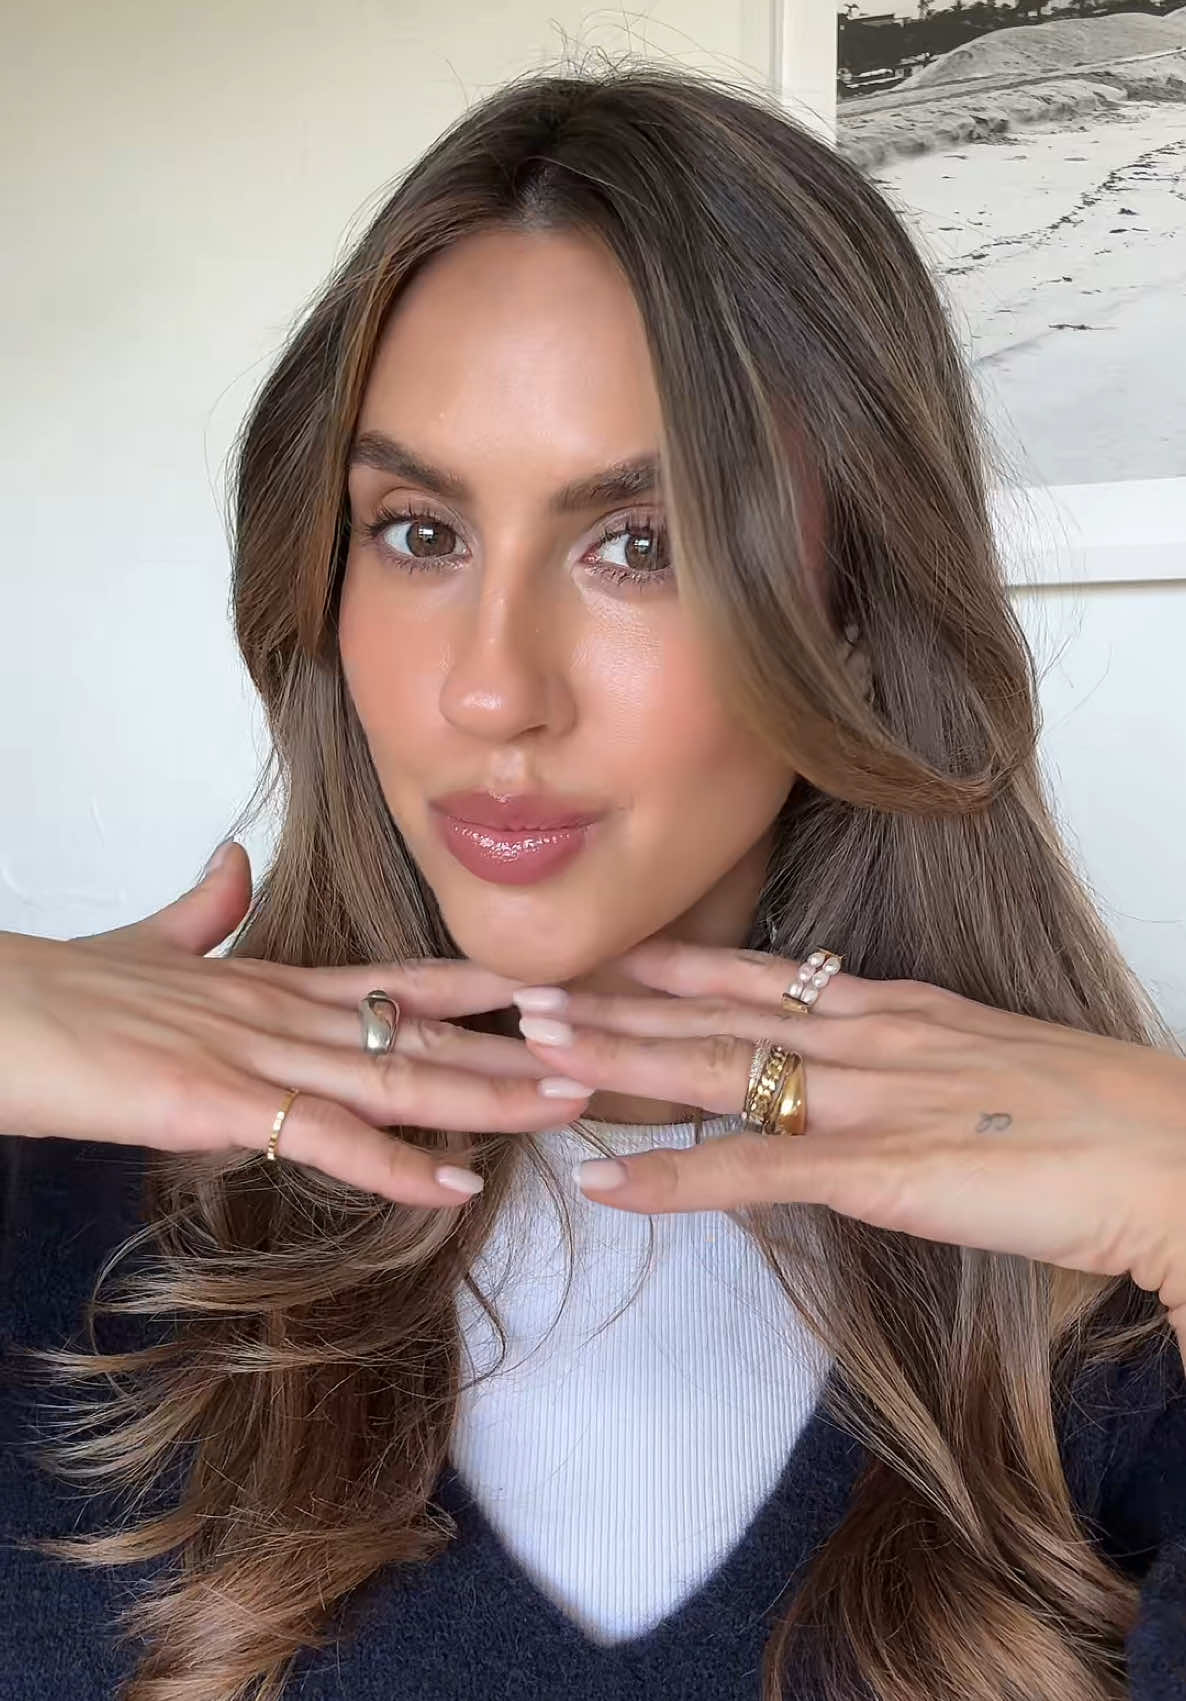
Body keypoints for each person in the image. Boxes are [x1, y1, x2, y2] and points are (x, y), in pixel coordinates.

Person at [2, 58, 1185, 1701]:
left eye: (642, 543)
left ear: (855, 609)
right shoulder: (62, 1212)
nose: (491, 691)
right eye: (418, 531)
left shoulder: (1119, 1277)